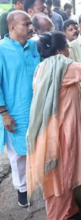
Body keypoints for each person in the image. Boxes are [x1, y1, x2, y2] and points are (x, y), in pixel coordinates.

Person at [26, 31, 81, 220]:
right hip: (61, 130)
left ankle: (68, 211)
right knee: (61, 176)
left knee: (58, 174)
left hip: (46, 129)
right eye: (68, 47)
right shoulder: (64, 66)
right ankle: (58, 216)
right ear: (61, 50)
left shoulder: (42, 67)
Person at [0, 10, 40, 207]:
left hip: (38, 108)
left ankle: (38, 184)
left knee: (39, 148)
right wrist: (3, 113)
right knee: (18, 155)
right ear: (12, 27)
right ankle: (22, 190)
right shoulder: (1, 49)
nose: (30, 27)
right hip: (15, 111)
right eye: (26, 24)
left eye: (30, 23)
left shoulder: (34, 46)